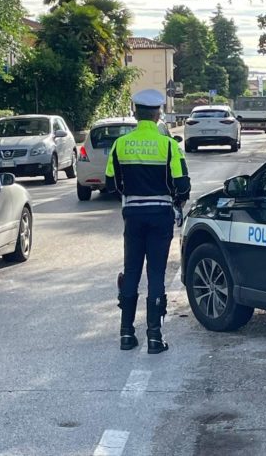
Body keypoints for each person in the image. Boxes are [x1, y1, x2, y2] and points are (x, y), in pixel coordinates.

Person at [105, 89, 191, 353]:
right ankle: (155, 337)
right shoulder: (169, 146)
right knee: (156, 273)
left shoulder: (120, 144)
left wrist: (131, 195)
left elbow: (111, 183)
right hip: (160, 215)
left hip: (132, 215)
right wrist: (175, 199)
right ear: (158, 115)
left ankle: (126, 334)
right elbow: (183, 185)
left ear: (135, 113)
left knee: (131, 271)